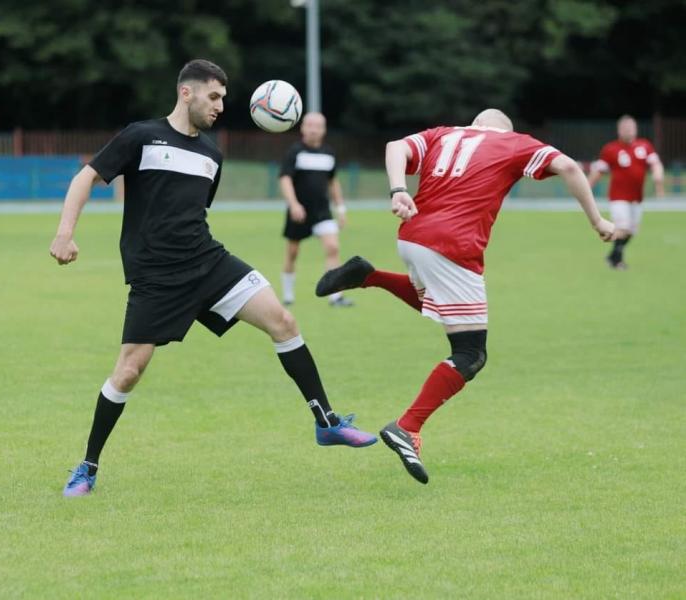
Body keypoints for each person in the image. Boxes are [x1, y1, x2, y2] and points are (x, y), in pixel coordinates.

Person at [50, 59, 376, 497]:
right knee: (128, 371)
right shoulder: (141, 136)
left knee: (284, 321)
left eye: (224, 97)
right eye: (214, 96)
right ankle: (87, 466)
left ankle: (327, 421)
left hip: (208, 262)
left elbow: (194, 213)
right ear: (187, 92)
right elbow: (86, 177)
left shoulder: (211, 154)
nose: (221, 105)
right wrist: (65, 233)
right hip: (157, 278)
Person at [315, 109, 616, 484]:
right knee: (471, 354)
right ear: (504, 129)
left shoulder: (444, 133)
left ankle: (369, 276)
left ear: (475, 124)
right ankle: (408, 426)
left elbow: (395, 147)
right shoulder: (514, 142)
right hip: (453, 247)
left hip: (412, 235)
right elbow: (570, 168)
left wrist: (398, 190)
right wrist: (597, 220)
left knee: (436, 304)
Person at [279, 112, 352, 307]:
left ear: (324, 129)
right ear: (302, 128)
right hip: (299, 212)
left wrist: (341, 208)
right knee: (292, 253)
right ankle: (287, 295)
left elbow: (333, 182)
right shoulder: (295, 151)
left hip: (322, 212)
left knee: (333, 248)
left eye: (318, 126)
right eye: (310, 125)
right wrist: (293, 204)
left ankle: (336, 296)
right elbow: (285, 179)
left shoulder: (329, 153)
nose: (313, 129)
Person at [588, 115, 665, 270]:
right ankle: (618, 261)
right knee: (622, 228)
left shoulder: (645, 146)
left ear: (636, 129)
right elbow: (599, 171)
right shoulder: (611, 149)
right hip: (618, 197)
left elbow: (655, 163)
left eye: (631, 128)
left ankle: (612, 256)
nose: (629, 131)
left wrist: (658, 177)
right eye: (625, 128)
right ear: (619, 130)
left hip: (637, 197)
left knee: (631, 231)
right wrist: (587, 187)